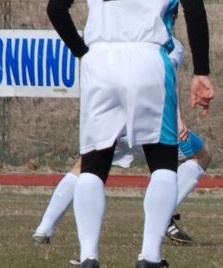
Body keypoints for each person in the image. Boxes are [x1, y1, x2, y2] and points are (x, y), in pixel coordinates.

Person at [46, 0, 214, 268]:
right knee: (162, 162)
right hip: (147, 59)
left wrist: (84, 51)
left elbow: (56, 7)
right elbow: (194, 10)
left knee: (94, 164)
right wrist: (202, 72)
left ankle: (88, 256)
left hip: (100, 61)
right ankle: (151, 257)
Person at [32, 40, 213, 246]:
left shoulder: (110, 38)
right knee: (201, 155)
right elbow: (166, 81)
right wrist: (177, 117)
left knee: (84, 167)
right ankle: (162, 216)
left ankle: (44, 229)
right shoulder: (170, 44)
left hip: (113, 119)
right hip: (153, 122)